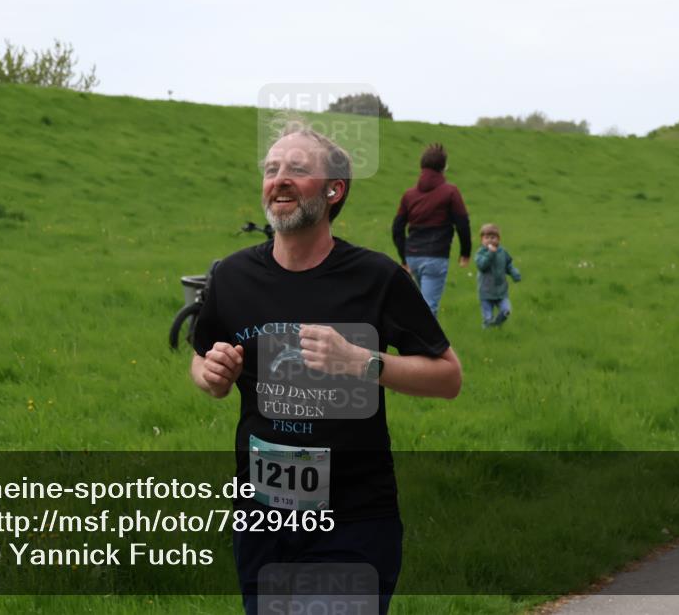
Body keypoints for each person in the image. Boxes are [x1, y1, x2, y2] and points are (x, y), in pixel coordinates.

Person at [189, 122, 462, 614]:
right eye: (272, 169)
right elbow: (201, 354)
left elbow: (449, 377)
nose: (280, 178)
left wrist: (363, 362)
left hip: (354, 518)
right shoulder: (232, 277)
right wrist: (211, 374)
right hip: (261, 517)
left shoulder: (375, 277)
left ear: (335, 190)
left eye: (297, 168)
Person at [391, 143, 472, 316]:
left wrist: (403, 257)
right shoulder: (451, 192)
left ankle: (412, 340)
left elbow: (397, 228)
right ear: (444, 167)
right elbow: (463, 224)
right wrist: (465, 253)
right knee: (428, 311)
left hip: (412, 257)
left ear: (421, 167)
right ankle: (418, 343)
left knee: (421, 307)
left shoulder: (409, 195)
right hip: (435, 257)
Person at [474, 223, 521, 328]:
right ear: (482, 240)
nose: (490, 240)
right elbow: (482, 266)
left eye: (493, 237)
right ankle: (489, 331)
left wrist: (514, 273)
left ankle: (497, 324)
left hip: (501, 291)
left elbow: (508, 264)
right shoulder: (480, 253)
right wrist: (490, 253)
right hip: (486, 292)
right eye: (487, 238)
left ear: (498, 239)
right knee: (488, 318)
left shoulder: (503, 252)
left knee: (506, 310)